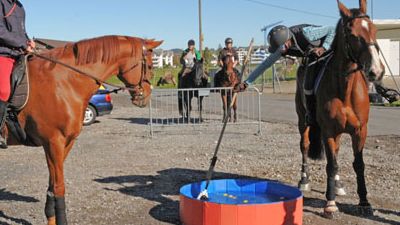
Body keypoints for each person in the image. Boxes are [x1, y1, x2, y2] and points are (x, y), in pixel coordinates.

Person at [236, 24, 335, 126]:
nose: (282, 50)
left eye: (283, 46)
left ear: (288, 39)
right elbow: (265, 64)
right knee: (307, 80)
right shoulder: (281, 47)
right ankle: (311, 114)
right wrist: (246, 83)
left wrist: (323, 48)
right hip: (314, 57)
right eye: (279, 48)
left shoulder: (307, 33)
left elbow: (332, 29)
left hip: (331, 50)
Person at [0, 0, 35, 148]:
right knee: (4, 91)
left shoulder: (20, 7)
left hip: (18, 54)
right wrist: (22, 43)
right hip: (3, 54)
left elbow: (22, 32)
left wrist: (28, 42)